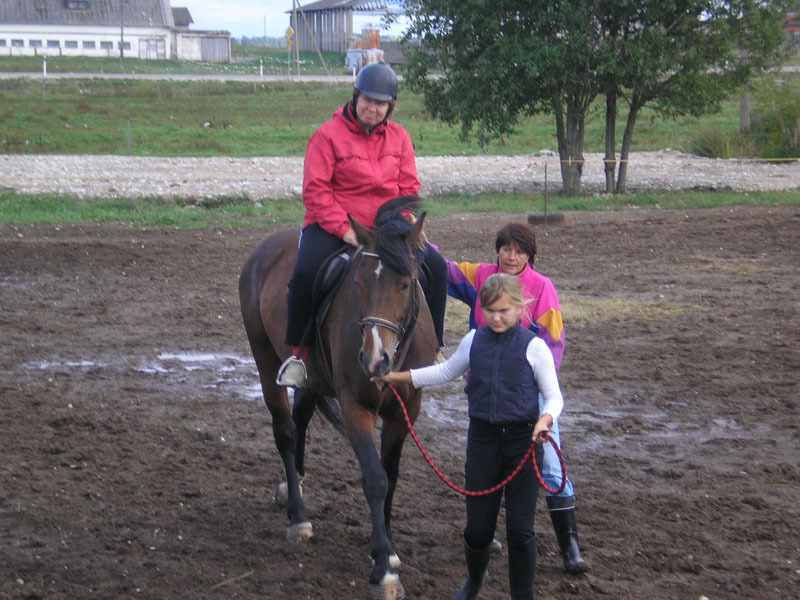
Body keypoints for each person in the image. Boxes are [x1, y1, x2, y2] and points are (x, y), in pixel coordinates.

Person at [374, 274, 563, 600]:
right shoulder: (473, 340)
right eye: (490, 311)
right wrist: (395, 376)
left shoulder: (535, 347)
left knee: (520, 531)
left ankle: (523, 595)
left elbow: (553, 396)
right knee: (477, 531)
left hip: (524, 445)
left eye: (503, 311)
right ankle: (475, 580)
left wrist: (544, 420)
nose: (496, 317)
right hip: (482, 442)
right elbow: (445, 371)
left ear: (519, 308)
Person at [276, 62, 448, 387]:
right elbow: (316, 191)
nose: (373, 108)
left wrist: (399, 224)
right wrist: (345, 230)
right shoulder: (326, 136)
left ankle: (434, 348)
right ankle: (299, 356)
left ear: (390, 106)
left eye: (381, 103)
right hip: (335, 223)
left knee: (436, 268)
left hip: (386, 228)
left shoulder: (400, 137)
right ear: (356, 97)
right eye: (367, 100)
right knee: (306, 274)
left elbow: (408, 187)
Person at [446, 223, 589, 575]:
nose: (511, 256)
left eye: (519, 251)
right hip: (488, 396)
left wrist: (534, 386)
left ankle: (569, 545)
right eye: (506, 249)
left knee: (550, 466)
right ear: (498, 249)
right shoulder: (480, 275)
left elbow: (553, 343)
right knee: (490, 463)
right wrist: (414, 238)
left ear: (530, 255)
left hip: (530, 396)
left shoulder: (542, 288)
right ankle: (488, 531)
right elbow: (444, 269)